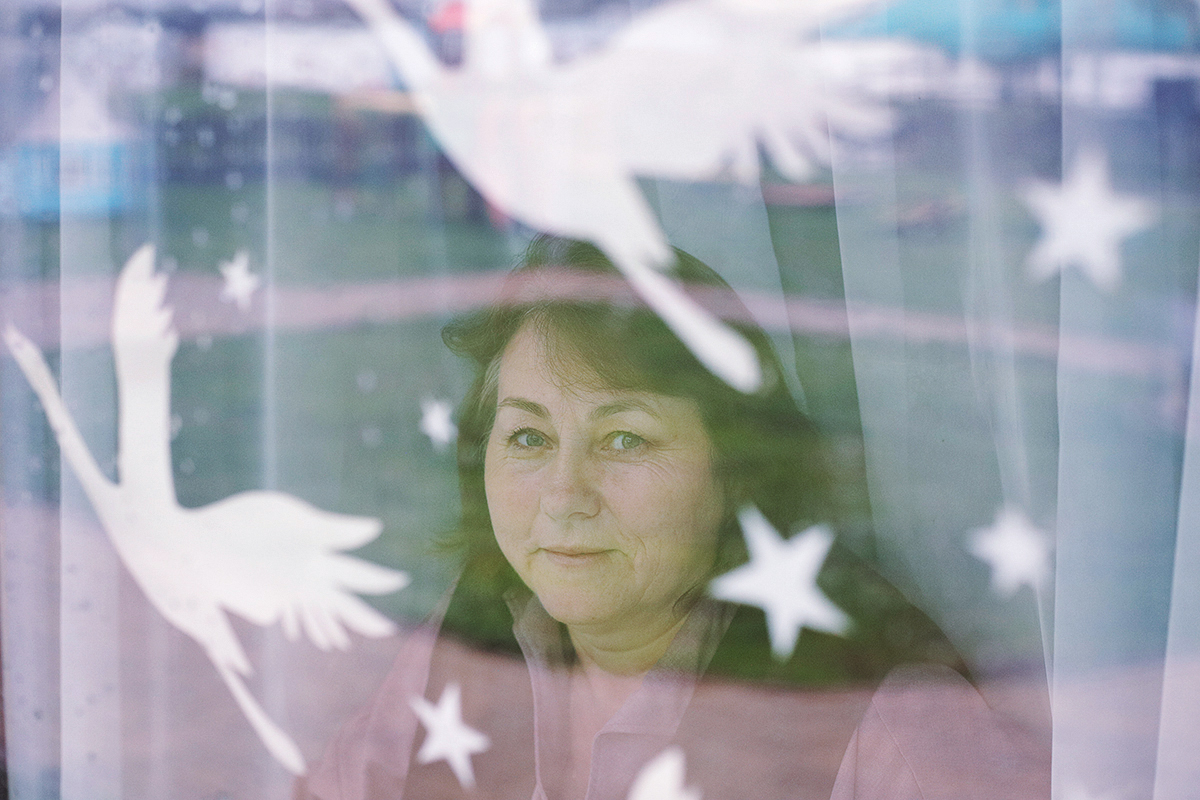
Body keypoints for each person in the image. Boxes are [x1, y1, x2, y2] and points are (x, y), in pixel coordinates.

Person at [296, 237, 1048, 800]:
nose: (564, 493)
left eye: (625, 439)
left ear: (736, 468)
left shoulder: (885, 720)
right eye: (528, 437)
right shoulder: (472, 641)